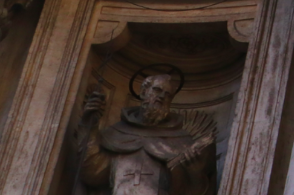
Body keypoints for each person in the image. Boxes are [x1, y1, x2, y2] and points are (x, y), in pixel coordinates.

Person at [69, 67, 217, 195]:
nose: (161, 97)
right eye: (157, 90)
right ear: (143, 92)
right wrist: (89, 125)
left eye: (168, 95)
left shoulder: (181, 142)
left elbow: (191, 193)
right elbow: (92, 173)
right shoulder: (117, 133)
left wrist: (195, 172)